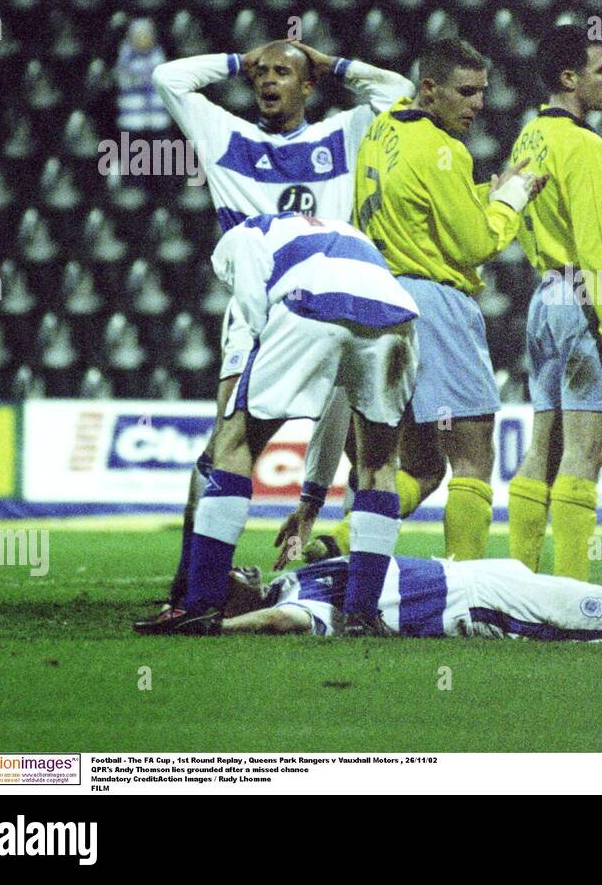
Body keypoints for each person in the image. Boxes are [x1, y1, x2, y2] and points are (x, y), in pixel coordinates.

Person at [137, 42, 413, 629]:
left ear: (307, 84)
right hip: (296, 293)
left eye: (282, 72)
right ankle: (196, 583)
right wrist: (240, 58)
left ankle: (201, 600)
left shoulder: (342, 135)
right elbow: (169, 78)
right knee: (228, 449)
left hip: (310, 289)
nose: (267, 80)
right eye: (260, 74)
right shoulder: (225, 134)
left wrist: (330, 62)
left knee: (242, 444)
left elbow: (396, 93)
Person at [134, 212, 419, 636]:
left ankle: (201, 605)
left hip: (309, 305)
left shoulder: (242, 235)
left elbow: (252, 316)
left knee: (233, 446)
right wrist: (312, 498)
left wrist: (259, 362)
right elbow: (337, 403)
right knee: (380, 467)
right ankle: (361, 616)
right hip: (396, 316)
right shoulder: (344, 233)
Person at [351, 38, 547, 561]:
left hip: (378, 300)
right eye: (465, 92)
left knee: (419, 467)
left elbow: (428, 207)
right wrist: (514, 196)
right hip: (434, 302)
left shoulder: (383, 129)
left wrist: (487, 192)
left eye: (483, 92)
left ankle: (343, 541)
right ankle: (467, 584)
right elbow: (476, 244)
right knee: (473, 454)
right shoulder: (445, 151)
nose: (478, 104)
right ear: (430, 88)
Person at [505, 24, 602, 581]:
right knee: (583, 458)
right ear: (569, 79)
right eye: (600, 69)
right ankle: (567, 595)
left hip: (547, 298)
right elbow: (601, 244)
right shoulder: (583, 144)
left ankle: (516, 582)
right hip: (590, 299)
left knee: (543, 448)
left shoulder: (528, 137)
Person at [217, 555, 602, 645]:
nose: (236, 565)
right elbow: (277, 622)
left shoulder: (300, 573)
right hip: (485, 604)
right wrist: (215, 629)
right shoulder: (306, 605)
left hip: (486, 574)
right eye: (227, 576)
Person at [115, 18, 169, 132]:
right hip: (133, 116)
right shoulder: (125, 58)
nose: (143, 39)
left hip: (157, 116)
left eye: (146, 35)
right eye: (138, 35)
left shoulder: (158, 56)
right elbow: (125, 80)